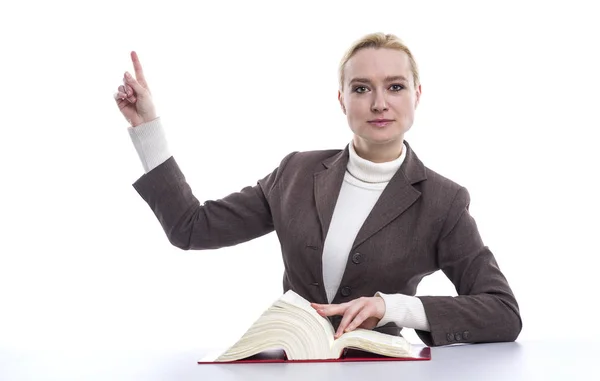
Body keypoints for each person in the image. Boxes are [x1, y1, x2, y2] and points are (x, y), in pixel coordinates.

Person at [113, 32, 522, 347]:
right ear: (341, 99)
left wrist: (392, 306)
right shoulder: (295, 172)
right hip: (292, 364)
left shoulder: (443, 201)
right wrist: (146, 128)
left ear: (417, 95)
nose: (379, 102)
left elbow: (503, 312)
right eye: (361, 88)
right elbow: (191, 228)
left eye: (395, 87)